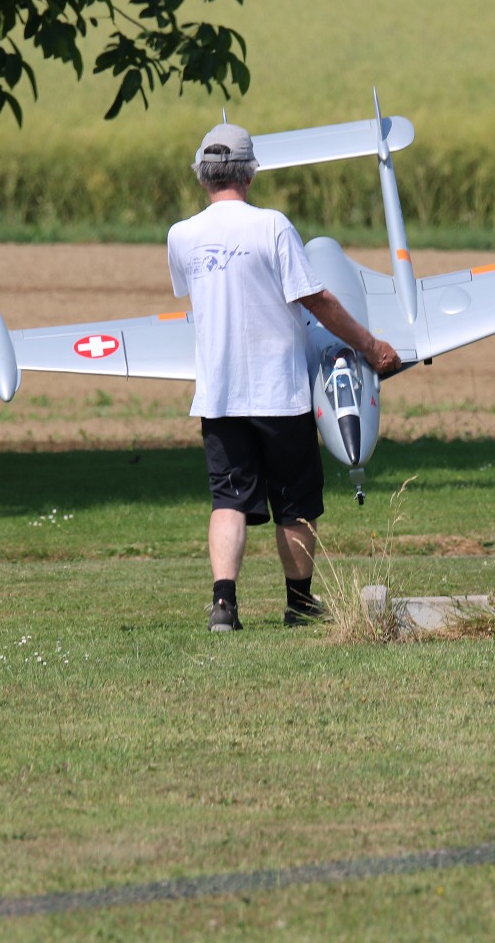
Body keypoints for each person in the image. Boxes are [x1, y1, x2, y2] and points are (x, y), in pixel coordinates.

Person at [167, 123, 401, 633]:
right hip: (281, 393)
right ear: (250, 174)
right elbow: (314, 299)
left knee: (228, 500)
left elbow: (195, 293)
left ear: (202, 176)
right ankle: (299, 603)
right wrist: (370, 346)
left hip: (219, 396)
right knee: (295, 505)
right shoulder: (272, 226)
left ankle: (224, 605)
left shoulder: (180, 236)